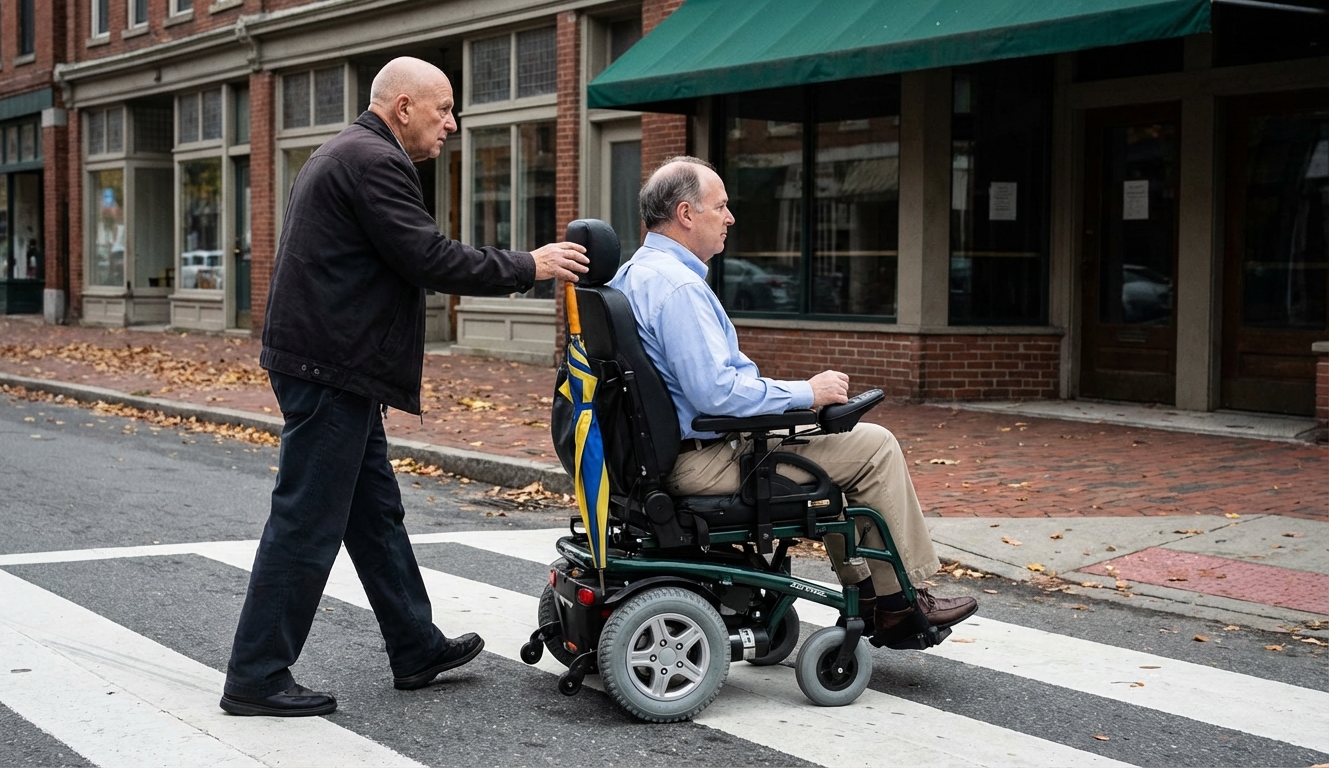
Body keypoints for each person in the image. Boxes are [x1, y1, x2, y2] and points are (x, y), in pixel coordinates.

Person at [220, 57, 589, 717]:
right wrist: (527, 266)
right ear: (404, 108)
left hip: (335, 365)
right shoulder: (374, 161)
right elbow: (426, 256)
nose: (451, 123)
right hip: (331, 367)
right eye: (443, 109)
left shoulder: (350, 152)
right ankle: (256, 674)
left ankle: (415, 646)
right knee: (306, 521)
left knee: (373, 516)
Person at [608, 157, 976, 649]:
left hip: (663, 455)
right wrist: (809, 393)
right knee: (873, 448)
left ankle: (868, 591)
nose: (730, 217)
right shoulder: (677, 287)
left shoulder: (631, 275)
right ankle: (899, 603)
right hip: (705, 459)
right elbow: (715, 394)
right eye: (721, 206)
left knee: (840, 447)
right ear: (686, 214)